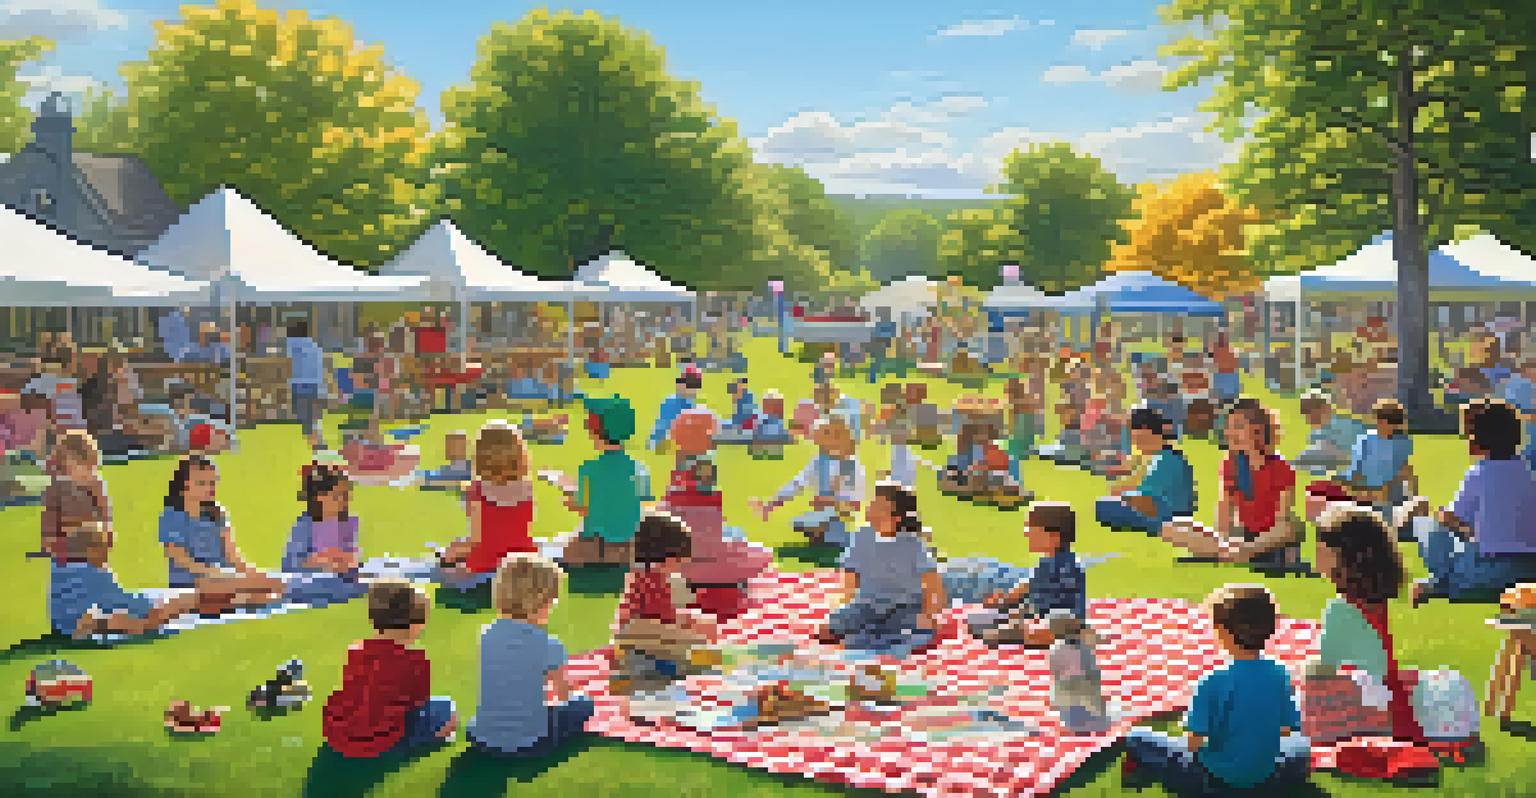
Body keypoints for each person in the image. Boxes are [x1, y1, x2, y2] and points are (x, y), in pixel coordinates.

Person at [1122, 585, 1310, 794]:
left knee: (1137, 736)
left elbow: (1193, 744)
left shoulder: (1212, 680)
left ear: (1222, 631)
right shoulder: (1280, 673)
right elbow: (1288, 728)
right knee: (1300, 745)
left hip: (1211, 779)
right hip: (1265, 776)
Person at [1300, 507, 1423, 742]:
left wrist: (1301, 672)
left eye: (1320, 547)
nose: (1315, 553)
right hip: (1387, 696)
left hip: (1367, 706)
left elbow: (1325, 667)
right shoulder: (1375, 599)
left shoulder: (1340, 608)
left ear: (1345, 557)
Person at [1410, 399, 1536, 606]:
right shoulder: (1528, 473)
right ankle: (1446, 584)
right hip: (1529, 572)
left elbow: (1449, 520)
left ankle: (1441, 584)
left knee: (1428, 526)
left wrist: (1450, 521)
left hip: (1485, 571)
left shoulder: (1479, 473)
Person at [466, 554, 594, 756]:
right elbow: (563, 694)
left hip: (484, 737)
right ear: (544, 603)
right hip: (530, 741)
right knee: (584, 704)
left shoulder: (487, 634)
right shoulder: (548, 644)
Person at [322, 581, 458, 757]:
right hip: (382, 738)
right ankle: (432, 737)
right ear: (415, 625)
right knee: (446, 707)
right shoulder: (416, 660)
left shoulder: (354, 651)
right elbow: (418, 702)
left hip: (339, 733)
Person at [1160, 398, 1300, 566]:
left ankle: (1238, 554)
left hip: (1268, 539)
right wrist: (1226, 541)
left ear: (1258, 431)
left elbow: (1282, 521)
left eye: (1239, 427)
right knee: (1172, 528)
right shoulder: (1231, 463)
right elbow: (1225, 511)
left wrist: (1250, 546)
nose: (1231, 432)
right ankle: (1231, 554)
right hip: (1240, 537)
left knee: (1291, 527)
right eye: (1230, 426)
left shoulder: (1280, 467)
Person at [664, 408, 772, 621]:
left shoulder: (676, 474)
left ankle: (691, 588)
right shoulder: (705, 471)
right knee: (746, 545)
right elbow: (711, 520)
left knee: (733, 538)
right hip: (708, 552)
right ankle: (731, 585)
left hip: (680, 553)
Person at [819, 482, 945, 652]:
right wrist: (846, 610)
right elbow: (850, 578)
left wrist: (929, 614)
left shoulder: (912, 542)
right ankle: (870, 632)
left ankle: (880, 634)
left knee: (906, 636)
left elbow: (933, 582)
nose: (870, 509)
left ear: (896, 516)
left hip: (904, 607)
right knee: (827, 631)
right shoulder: (861, 536)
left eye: (878, 506)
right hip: (867, 605)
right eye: (872, 503)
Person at [611, 512, 719, 694]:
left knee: (696, 637)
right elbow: (662, 621)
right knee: (703, 652)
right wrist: (691, 625)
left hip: (634, 638)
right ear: (669, 557)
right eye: (681, 559)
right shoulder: (654, 580)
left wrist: (687, 619)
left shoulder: (640, 575)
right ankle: (656, 674)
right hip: (642, 641)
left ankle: (637, 672)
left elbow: (659, 615)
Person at [158, 456, 285, 611]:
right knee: (217, 584)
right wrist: (216, 573)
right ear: (185, 485)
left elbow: (233, 556)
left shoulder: (217, 513)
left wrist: (253, 574)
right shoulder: (171, 516)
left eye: (212, 483)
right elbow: (181, 560)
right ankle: (239, 596)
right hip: (192, 584)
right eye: (202, 483)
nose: (209, 489)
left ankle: (240, 596)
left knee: (269, 585)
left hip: (226, 579)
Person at [52, 520, 204, 640]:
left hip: (66, 624)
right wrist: (154, 607)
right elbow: (125, 603)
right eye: (105, 547)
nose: (107, 553)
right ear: (91, 549)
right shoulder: (95, 574)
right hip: (92, 622)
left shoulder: (59, 570)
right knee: (158, 614)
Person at [964, 502, 1087, 647]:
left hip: (1061, 619)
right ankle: (1017, 631)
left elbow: (1035, 592)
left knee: (1058, 621)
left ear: (1053, 537)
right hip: (1039, 616)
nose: (1026, 533)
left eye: (1032, 529)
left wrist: (1009, 603)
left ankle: (1017, 633)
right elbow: (1028, 588)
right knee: (981, 618)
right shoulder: (1046, 561)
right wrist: (1003, 602)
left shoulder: (1067, 565)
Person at [439, 421, 537, 585]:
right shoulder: (527, 487)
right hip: (522, 561)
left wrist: (453, 552)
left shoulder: (477, 491)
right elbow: (518, 532)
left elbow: (477, 541)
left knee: (446, 565)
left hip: (486, 565)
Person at [564, 395, 652, 566]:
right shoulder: (640, 469)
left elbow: (583, 507)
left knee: (566, 545)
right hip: (629, 546)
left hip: (594, 547)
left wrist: (568, 497)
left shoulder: (588, 469)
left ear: (594, 431)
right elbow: (644, 506)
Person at [753, 416, 865, 548]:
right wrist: (773, 502)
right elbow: (799, 482)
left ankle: (832, 535)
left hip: (842, 516)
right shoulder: (820, 462)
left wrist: (831, 501)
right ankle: (820, 533)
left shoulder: (852, 466)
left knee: (831, 527)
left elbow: (854, 503)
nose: (820, 444)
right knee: (800, 522)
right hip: (824, 512)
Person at [1096, 408, 1196, 535]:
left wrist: (1125, 497)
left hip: (1166, 516)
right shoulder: (1167, 456)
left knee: (1104, 507)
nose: (1137, 445)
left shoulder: (1164, 460)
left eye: (1138, 440)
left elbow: (1149, 501)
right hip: (1169, 511)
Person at [281, 462, 368, 606]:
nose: (345, 501)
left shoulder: (348, 523)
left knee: (361, 582)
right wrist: (325, 561)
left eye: (347, 495)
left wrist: (346, 561)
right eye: (339, 496)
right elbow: (291, 565)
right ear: (319, 497)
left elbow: (352, 557)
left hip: (338, 578)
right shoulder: (305, 525)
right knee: (300, 587)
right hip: (309, 580)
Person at [38, 431, 113, 563]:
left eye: (93, 466)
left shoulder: (96, 485)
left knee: (96, 578)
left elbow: (105, 512)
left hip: (94, 550)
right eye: (83, 465)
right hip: (65, 552)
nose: (89, 470)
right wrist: (48, 541)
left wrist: (107, 532)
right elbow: (49, 517)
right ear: (65, 464)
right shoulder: (56, 488)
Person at [1293, 391, 1368, 478]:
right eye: (1306, 412)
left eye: (1312, 410)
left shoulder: (1342, 427)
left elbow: (1335, 459)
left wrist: (1299, 465)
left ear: (1326, 408)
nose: (1309, 417)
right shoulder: (1318, 431)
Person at [285, 320, 327, 452]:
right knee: (312, 415)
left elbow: (283, 361)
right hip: (315, 383)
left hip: (299, 383)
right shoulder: (314, 345)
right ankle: (316, 441)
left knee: (304, 416)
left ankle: (314, 444)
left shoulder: (291, 344)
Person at [647, 364, 701, 452]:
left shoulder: (693, 405)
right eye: (688, 385)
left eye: (694, 386)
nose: (692, 390)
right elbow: (663, 429)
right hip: (666, 439)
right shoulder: (671, 403)